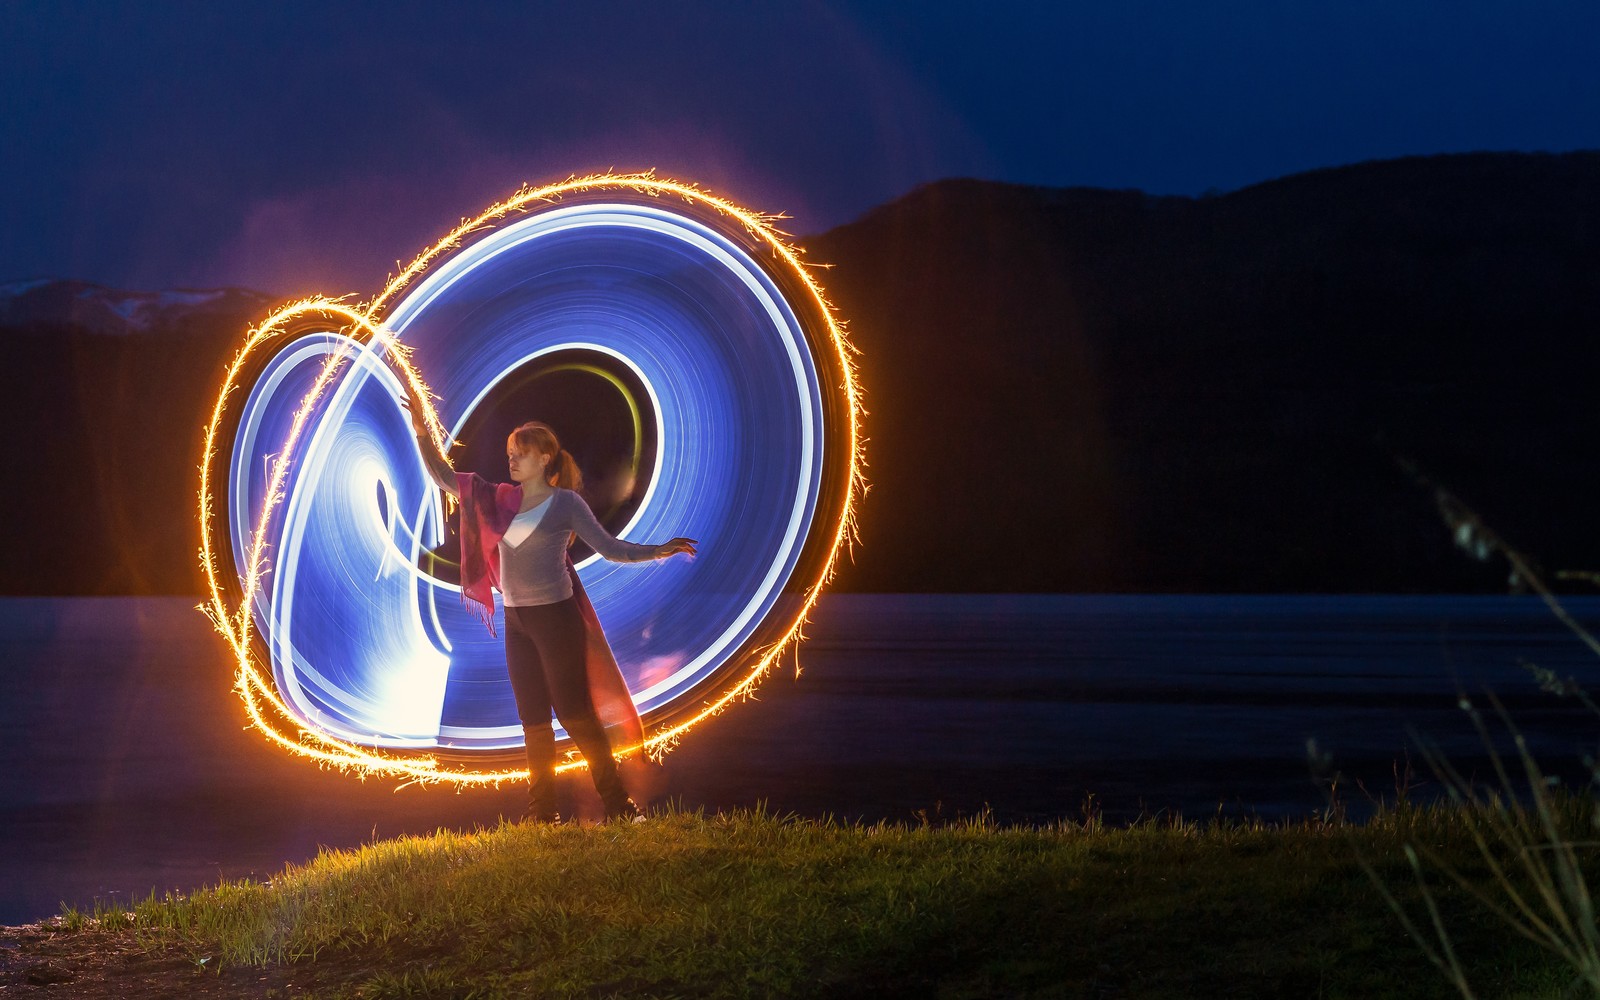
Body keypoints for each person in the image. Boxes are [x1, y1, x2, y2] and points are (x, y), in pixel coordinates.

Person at [405, 399, 696, 822]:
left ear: (544, 458)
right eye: (509, 452)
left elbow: (610, 548)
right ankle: (543, 815)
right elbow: (445, 477)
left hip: (556, 620)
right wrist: (421, 432)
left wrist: (657, 551)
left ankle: (618, 805)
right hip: (516, 620)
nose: (512, 459)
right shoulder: (498, 499)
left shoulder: (566, 505)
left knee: (576, 714)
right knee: (533, 720)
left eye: (520, 452)